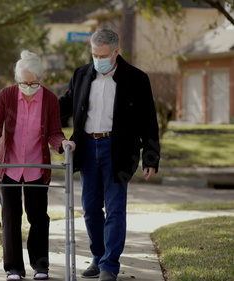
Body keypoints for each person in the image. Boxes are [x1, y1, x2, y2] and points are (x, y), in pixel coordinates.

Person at [59, 28, 160, 281]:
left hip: (118, 149)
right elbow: (66, 103)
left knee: (115, 208)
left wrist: (151, 156)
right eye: (94, 54)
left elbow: (148, 119)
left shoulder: (136, 78)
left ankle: (109, 266)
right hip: (87, 147)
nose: (98, 59)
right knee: (90, 208)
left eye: (103, 55)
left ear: (116, 52)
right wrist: (38, 103)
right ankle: (98, 256)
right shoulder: (81, 74)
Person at [0, 50, 75, 281]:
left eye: (34, 83)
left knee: (38, 217)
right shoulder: (5, 96)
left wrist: (63, 143)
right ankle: (13, 269)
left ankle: (40, 266)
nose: (28, 87)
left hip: (37, 167)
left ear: (40, 80)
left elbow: (54, 132)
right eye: (24, 82)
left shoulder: (49, 99)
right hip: (9, 168)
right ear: (17, 80)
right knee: (11, 217)